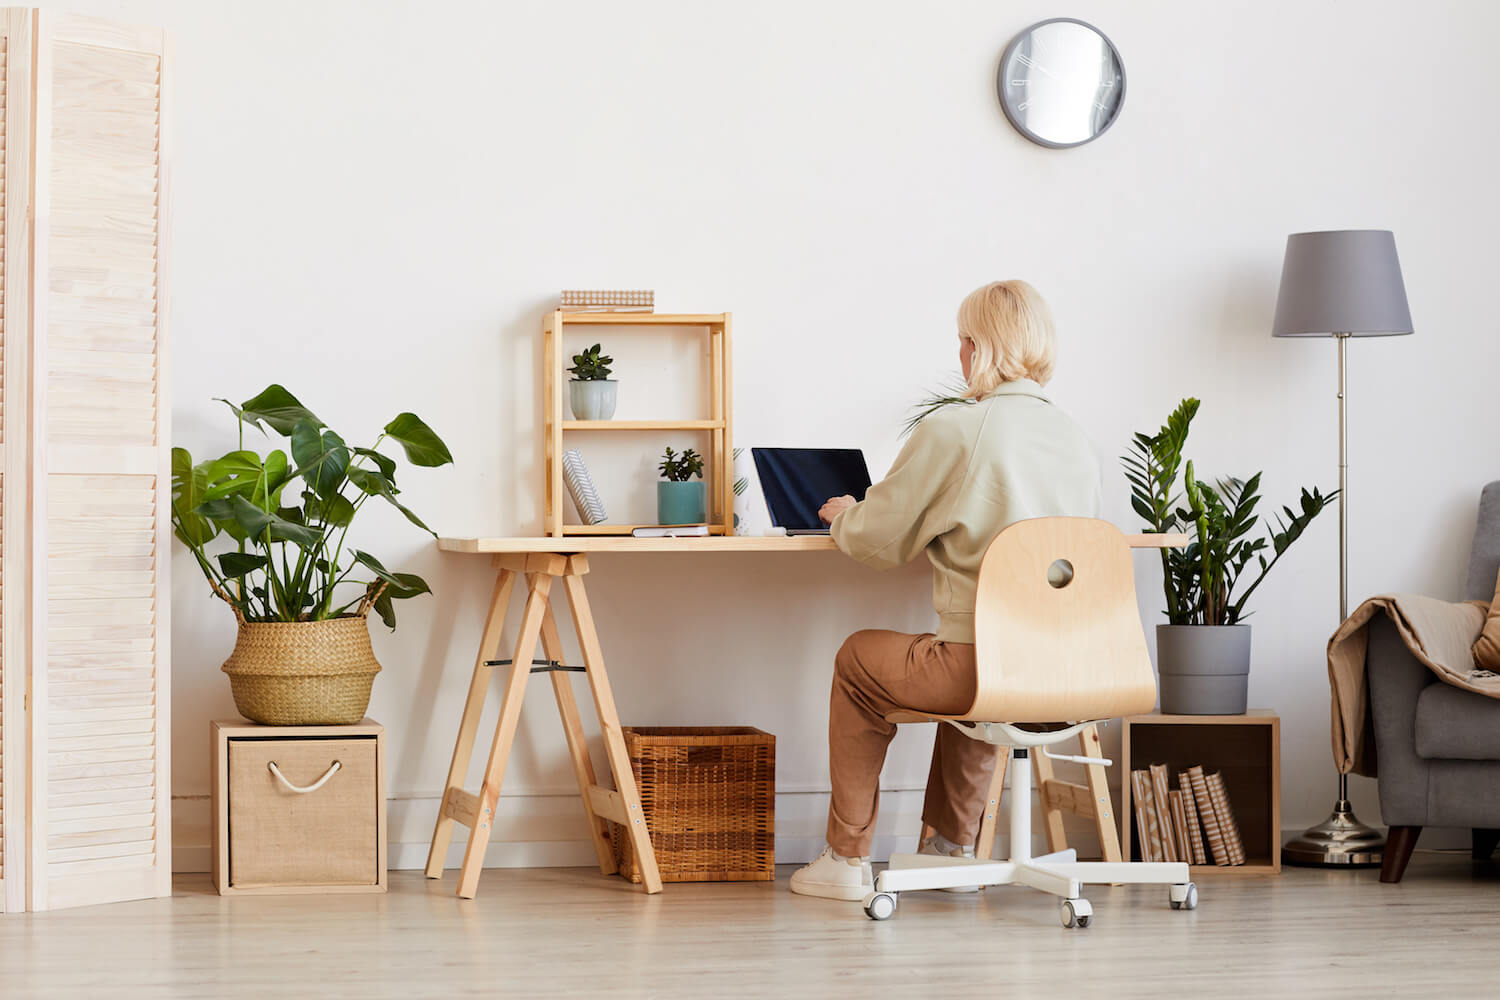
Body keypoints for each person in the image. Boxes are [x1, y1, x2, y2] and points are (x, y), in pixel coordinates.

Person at [788, 279, 1102, 902]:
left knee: (861, 660)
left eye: (962, 340)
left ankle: (847, 859)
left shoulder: (961, 428)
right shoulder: (1075, 438)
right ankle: (951, 849)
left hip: (983, 672)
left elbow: (878, 542)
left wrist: (848, 511)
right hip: (1074, 670)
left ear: (976, 347)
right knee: (983, 654)